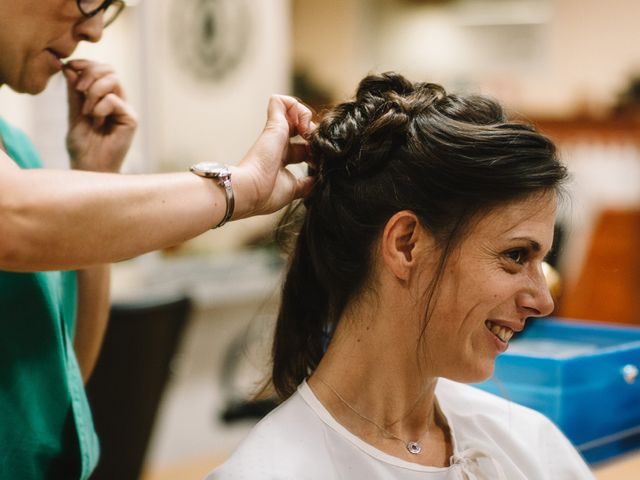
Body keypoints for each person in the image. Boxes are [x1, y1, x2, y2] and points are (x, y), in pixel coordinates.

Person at [207, 73, 596, 479]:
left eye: (541, 262)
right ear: (407, 244)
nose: (543, 300)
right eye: (515, 256)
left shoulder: (530, 445)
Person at [0, 1, 313, 478]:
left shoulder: (17, 153)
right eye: (89, 0)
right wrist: (240, 188)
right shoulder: (19, 193)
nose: (95, 29)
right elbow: (11, 219)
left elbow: (68, 386)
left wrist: (95, 174)